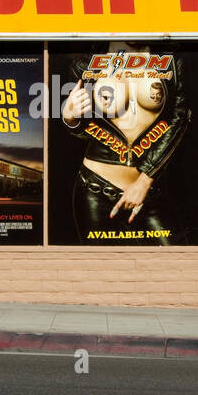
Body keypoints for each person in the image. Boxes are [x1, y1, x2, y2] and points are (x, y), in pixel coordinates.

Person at [60, 42, 189, 245]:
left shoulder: (170, 59)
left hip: (148, 190)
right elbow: (84, 129)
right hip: (95, 190)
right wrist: (70, 118)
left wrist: (144, 181)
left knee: (175, 264)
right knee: (101, 272)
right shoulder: (86, 63)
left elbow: (179, 119)